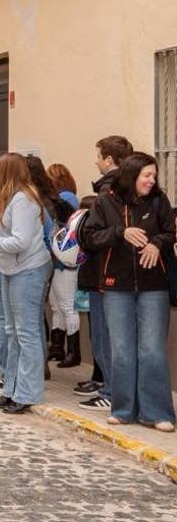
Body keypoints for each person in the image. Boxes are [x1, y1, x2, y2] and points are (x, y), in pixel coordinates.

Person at [79, 152, 176, 430]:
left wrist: (156, 243)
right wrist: (120, 233)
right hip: (115, 285)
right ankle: (123, 410)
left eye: (153, 175)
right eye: (147, 175)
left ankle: (158, 413)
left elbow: (171, 232)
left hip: (154, 285)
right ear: (132, 176)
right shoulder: (105, 202)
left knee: (152, 350)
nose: (152, 180)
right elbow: (90, 237)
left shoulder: (159, 200)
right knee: (121, 350)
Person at [0, 153, 51, 415]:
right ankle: (11, 388)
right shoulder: (7, 199)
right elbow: (10, 234)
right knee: (11, 330)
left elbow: (21, 241)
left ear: (5, 171)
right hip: (10, 268)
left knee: (25, 332)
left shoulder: (23, 200)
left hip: (28, 270)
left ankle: (28, 392)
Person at [74, 135, 134, 408]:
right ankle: (109, 387)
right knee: (108, 336)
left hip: (105, 271)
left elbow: (97, 235)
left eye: (99, 156)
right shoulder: (124, 190)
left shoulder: (109, 193)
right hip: (113, 272)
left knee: (105, 337)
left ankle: (111, 392)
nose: (95, 161)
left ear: (109, 159)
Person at [45, 163, 82, 368]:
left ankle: (73, 352)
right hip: (59, 260)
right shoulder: (67, 197)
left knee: (67, 305)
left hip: (66, 261)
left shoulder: (66, 198)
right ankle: (57, 347)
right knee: (56, 304)